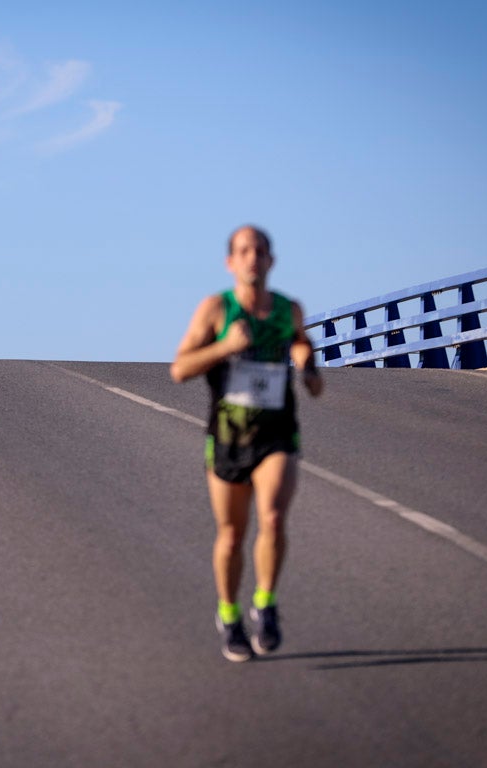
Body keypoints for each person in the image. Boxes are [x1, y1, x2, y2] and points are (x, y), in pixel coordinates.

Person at [170, 225, 324, 663]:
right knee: (232, 534)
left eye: (259, 250)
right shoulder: (217, 309)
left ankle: (265, 604)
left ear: (271, 260)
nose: (252, 257)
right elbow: (180, 369)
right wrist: (225, 347)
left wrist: (307, 366)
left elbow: (301, 342)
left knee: (272, 517)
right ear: (230, 262)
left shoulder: (288, 309)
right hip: (228, 437)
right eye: (244, 251)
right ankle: (229, 615)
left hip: (277, 433)